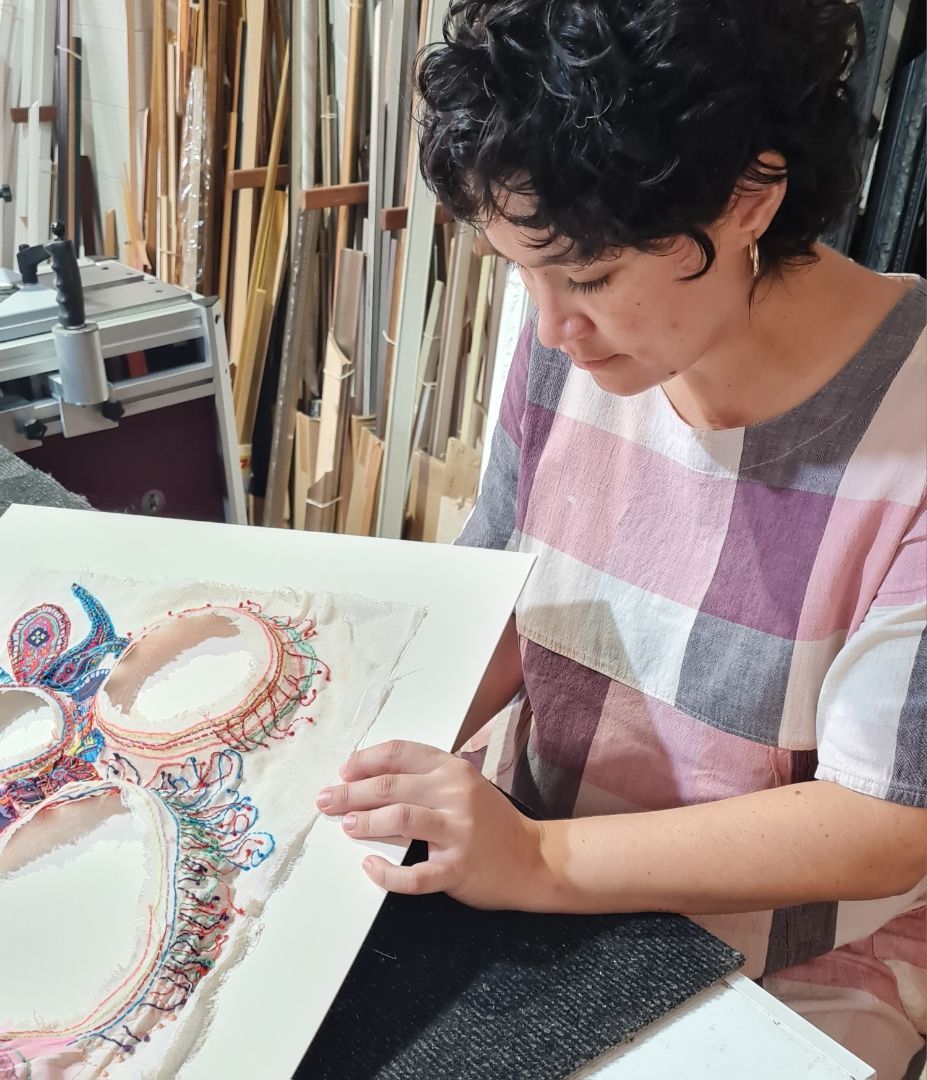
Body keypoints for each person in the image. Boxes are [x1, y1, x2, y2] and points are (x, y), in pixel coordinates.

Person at [316, 1, 927, 1074]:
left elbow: (887, 825)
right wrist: (349, 758)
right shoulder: (575, 349)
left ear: (751, 196)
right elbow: (498, 588)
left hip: (795, 957)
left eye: (589, 278)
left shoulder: (909, 428)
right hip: (532, 881)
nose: (550, 325)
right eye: (521, 271)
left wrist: (541, 862)